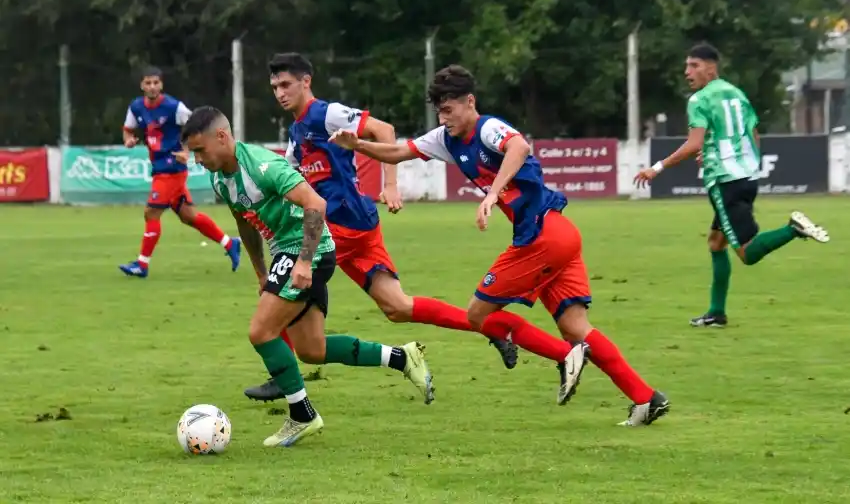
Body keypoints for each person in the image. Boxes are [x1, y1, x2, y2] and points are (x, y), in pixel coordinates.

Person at [329, 64, 669, 426]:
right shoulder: (445, 138)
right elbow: (399, 152)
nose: (444, 118)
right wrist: (359, 145)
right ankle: (646, 398)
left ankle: (564, 355)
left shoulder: (487, 127)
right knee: (576, 327)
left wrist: (492, 193)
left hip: (542, 237)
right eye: (439, 111)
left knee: (478, 315)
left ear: (470, 102)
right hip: (560, 234)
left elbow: (519, 146)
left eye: (449, 109)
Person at [243, 53, 588, 406]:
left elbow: (384, 130)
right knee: (398, 307)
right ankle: (501, 332)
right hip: (354, 225)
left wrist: (390, 185)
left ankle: (280, 376)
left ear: (306, 82)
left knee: (284, 280)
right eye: (275, 87)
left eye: (286, 84)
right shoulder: (298, 132)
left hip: (342, 225)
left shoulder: (324, 113)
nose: (280, 93)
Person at [182, 105, 435, 447]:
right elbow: (244, 221)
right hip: (290, 253)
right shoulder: (220, 179)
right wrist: (260, 272)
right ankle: (403, 358)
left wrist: (303, 262)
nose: (198, 160)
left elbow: (316, 203)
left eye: (200, 150)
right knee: (312, 349)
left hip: (306, 250)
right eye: (193, 153)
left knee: (261, 332)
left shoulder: (262, 166)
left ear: (222, 137)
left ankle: (302, 416)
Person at [634, 43, 829, 328]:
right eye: (687, 66)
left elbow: (694, 144)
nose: (687, 72)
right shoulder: (736, 94)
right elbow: (753, 134)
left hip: (725, 181)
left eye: (694, 65)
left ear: (711, 67)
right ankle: (716, 313)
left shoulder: (699, 99)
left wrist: (657, 168)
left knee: (747, 253)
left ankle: (793, 229)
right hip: (746, 176)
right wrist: (743, 162)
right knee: (716, 243)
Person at [119, 66, 241, 278]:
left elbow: (197, 126)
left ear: (161, 84)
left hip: (172, 169)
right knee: (189, 216)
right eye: (148, 83)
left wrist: (187, 150)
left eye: (156, 82)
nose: (152, 86)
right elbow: (127, 129)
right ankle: (230, 243)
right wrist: (128, 140)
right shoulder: (136, 107)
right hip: (159, 167)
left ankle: (142, 265)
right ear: (141, 85)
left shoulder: (173, 107)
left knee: (151, 212)